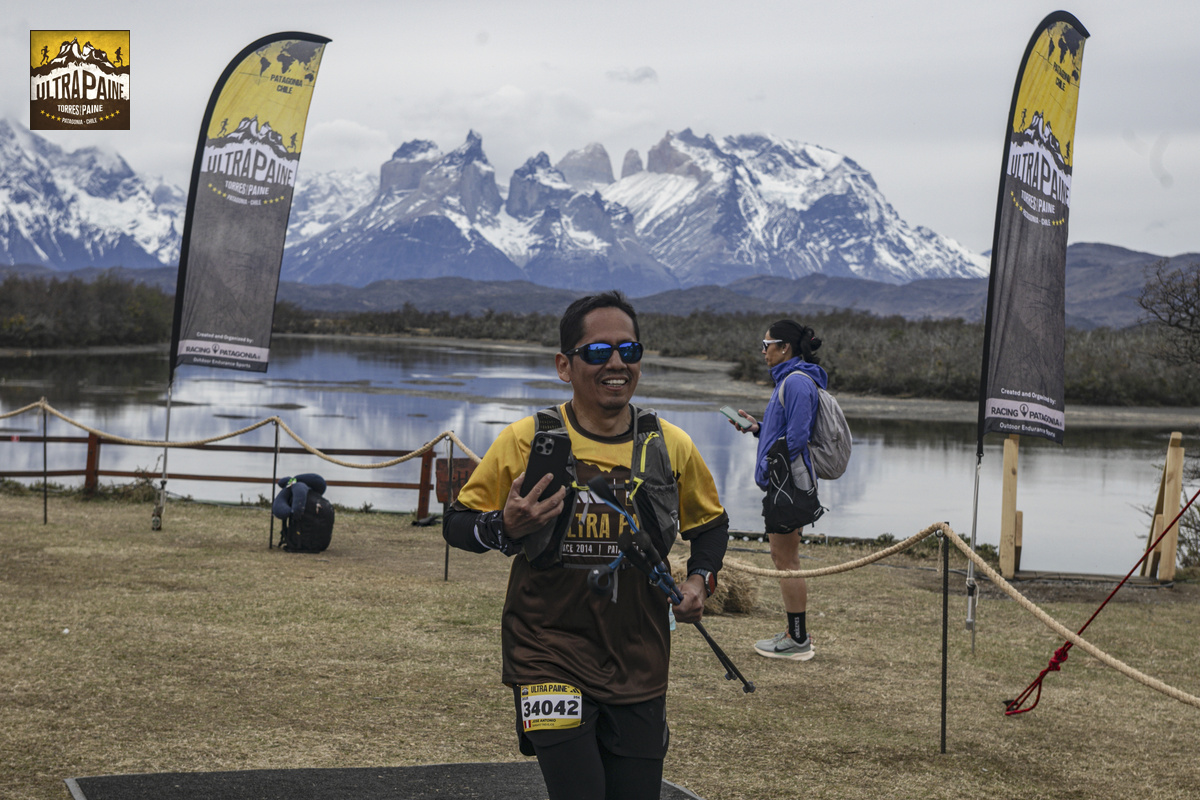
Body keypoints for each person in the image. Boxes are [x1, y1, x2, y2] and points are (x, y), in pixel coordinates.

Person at [443, 291, 729, 800]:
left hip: (639, 659)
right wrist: (505, 526)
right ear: (564, 365)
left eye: (628, 350)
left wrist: (698, 581)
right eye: (598, 351)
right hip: (545, 652)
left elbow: (710, 526)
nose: (616, 363)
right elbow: (457, 525)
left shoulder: (670, 445)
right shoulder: (526, 440)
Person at [729, 320, 827, 661]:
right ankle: (795, 634)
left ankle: (797, 639)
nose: (763, 351)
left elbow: (797, 438)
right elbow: (785, 432)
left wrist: (771, 466)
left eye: (766, 344)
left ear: (785, 348)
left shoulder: (796, 382)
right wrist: (758, 429)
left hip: (787, 485)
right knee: (784, 558)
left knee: (786, 560)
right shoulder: (790, 380)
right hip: (784, 481)